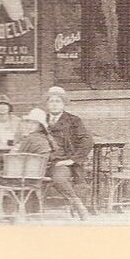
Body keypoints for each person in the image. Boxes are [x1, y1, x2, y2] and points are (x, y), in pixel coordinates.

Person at [43, 86, 93, 219]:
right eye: (51, 101)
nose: (54, 104)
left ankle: (78, 205)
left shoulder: (73, 120)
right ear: (47, 104)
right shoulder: (41, 121)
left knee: (59, 179)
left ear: (64, 103)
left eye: (57, 101)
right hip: (41, 163)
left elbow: (87, 141)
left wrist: (72, 160)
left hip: (61, 163)